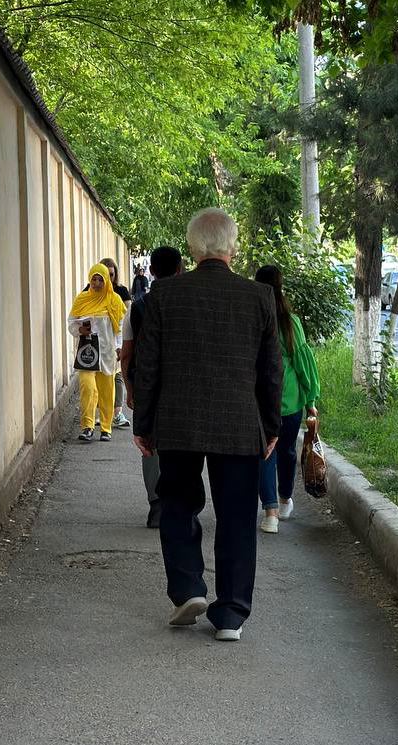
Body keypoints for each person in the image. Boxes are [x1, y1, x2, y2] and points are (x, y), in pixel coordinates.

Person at [133, 208, 282, 642]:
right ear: (232, 248)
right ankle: (231, 615)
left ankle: (187, 589)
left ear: (192, 248)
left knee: (177, 502)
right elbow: (270, 372)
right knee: (237, 515)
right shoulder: (259, 298)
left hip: (177, 423)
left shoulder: (163, 296)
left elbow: (149, 366)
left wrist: (143, 423)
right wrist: (270, 427)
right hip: (238, 425)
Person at [120, 246, 184, 528]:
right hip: (183, 386)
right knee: (183, 445)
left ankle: (157, 504)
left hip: (150, 386)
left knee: (149, 444)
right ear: (180, 269)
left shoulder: (137, 307)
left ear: (152, 271)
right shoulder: (188, 303)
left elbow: (127, 354)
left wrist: (131, 390)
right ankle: (180, 501)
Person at [253, 265, 320, 534]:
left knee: (264, 453)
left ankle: (270, 513)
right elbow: (303, 364)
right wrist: (310, 399)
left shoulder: (252, 318)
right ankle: (284, 499)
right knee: (287, 451)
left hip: (259, 399)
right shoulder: (290, 322)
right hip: (290, 399)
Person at [69, 263, 126, 442]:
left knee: (106, 390)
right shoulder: (82, 300)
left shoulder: (114, 300)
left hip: (107, 352)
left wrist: (119, 346)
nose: (96, 282)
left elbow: (120, 326)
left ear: (107, 280)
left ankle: (106, 427)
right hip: (87, 352)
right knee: (87, 387)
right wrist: (80, 330)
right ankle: (87, 426)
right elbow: (71, 323)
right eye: (93, 279)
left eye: (100, 279)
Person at [84, 258, 133, 430]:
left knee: (115, 378)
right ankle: (98, 416)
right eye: (102, 275)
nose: (105, 279)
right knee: (93, 382)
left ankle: (116, 413)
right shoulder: (87, 293)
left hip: (113, 343)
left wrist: (121, 344)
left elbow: (125, 318)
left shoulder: (120, 292)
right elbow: (77, 318)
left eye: (110, 275)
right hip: (92, 347)